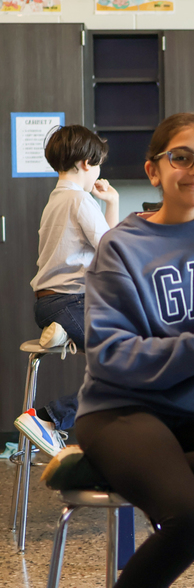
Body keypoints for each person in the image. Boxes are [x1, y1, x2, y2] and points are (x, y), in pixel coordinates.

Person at [70, 112, 194, 588]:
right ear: (153, 171)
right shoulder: (120, 247)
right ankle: (134, 464)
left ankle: (138, 470)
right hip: (122, 412)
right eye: (181, 157)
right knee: (190, 520)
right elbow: (111, 356)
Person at [16, 125, 120, 457]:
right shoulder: (80, 200)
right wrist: (112, 203)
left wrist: (111, 202)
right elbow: (112, 251)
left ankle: (62, 334)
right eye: (99, 163)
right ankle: (48, 418)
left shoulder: (57, 199)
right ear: (87, 163)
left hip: (53, 302)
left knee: (128, 362)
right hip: (70, 301)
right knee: (131, 365)